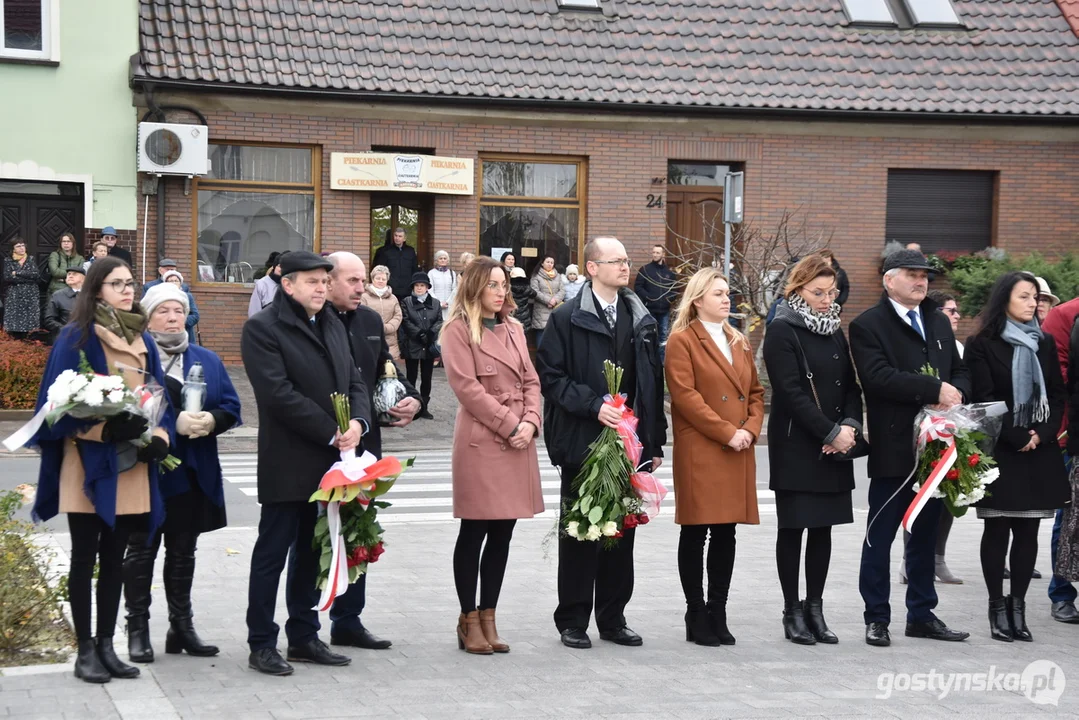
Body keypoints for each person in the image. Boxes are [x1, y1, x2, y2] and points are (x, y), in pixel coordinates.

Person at [29, 256, 173, 683]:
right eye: (116, 284)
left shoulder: (142, 335)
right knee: (85, 557)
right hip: (89, 465)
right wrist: (103, 432)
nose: (127, 290)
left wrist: (160, 437)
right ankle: (85, 650)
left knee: (116, 559)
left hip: (131, 465)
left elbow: (159, 396)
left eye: (130, 283)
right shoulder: (76, 336)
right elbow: (55, 408)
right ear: (96, 290)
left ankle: (108, 645)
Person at [241, 250, 370, 676]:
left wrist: (357, 421)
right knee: (272, 553)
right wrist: (330, 429)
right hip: (287, 460)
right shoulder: (263, 329)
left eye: (323, 280)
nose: (320, 287)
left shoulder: (331, 323)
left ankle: (303, 636)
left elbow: (354, 380)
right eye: (311, 281)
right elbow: (277, 395)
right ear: (288, 284)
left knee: (314, 551)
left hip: (327, 462)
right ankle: (261, 641)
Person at [537, 236, 666, 650]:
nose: (625, 267)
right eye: (616, 261)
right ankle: (573, 620)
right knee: (581, 531)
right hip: (583, 440)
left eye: (627, 260)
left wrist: (655, 441)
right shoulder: (566, 318)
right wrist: (593, 405)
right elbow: (551, 378)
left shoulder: (639, 316)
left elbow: (651, 383)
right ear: (592, 268)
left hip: (630, 445)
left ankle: (613, 618)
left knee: (620, 533)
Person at [850, 249, 972, 647]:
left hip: (938, 449)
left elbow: (959, 369)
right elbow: (877, 377)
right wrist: (933, 389)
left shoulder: (937, 320)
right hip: (896, 448)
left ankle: (921, 613)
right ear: (889, 279)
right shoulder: (869, 324)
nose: (922, 282)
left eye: (925, 276)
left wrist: (957, 393)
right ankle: (877, 617)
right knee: (880, 535)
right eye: (912, 275)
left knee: (924, 535)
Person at [122, 283, 240, 663]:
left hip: (192, 471)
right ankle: (137, 628)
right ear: (148, 316)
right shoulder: (135, 358)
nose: (173, 318)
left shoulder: (206, 358)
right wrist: (172, 426)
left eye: (179, 310)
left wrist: (211, 420)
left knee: (183, 551)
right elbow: (125, 412)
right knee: (141, 551)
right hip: (149, 472)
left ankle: (181, 626)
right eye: (163, 311)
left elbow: (232, 407)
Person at [440, 256, 545, 654]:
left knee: (503, 532)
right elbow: (467, 389)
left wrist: (532, 422)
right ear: (475, 289)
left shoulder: (515, 328)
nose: (502, 292)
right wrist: (511, 424)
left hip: (519, 437)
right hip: (483, 441)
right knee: (475, 531)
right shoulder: (456, 330)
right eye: (493, 285)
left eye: (504, 285)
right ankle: (469, 619)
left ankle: (489, 616)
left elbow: (532, 380)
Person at [965, 272, 1071, 642]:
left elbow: (1058, 393)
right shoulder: (981, 343)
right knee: (997, 528)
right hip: (1001, 448)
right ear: (1004, 299)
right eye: (1024, 296)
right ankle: (997, 606)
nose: (1033, 303)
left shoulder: (1042, 341)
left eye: (1036, 298)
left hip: (1038, 449)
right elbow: (982, 397)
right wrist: (1015, 434)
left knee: (1028, 530)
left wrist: (1041, 434)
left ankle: (1018, 607)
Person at [763, 255, 862, 645]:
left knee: (823, 530)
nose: (826, 299)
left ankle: (815, 609)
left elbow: (851, 385)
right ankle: (791, 611)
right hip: (797, 445)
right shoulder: (782, 330)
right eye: (818, 292)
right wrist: (829, 432)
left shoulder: (836, 330)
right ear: (797, 289)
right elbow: (791, 393)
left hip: (834, 445)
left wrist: (850, 427)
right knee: (793, 529)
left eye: (831, 291)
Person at [323, 252, 420, 650]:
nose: (362, 288)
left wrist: (412, 399)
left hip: (365, 447)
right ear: (327, 283)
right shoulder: (315, 322)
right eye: (353, 281)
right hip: (322, 445)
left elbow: (386, 367)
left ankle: (348, 620)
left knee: (358, 532)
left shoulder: (369, 320)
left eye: (364, 280)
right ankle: (305, 622)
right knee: (317, 534)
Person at [667, 267, 765, 647]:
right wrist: (729, 432)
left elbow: (755, 393)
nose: (727, 299)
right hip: (703, 446)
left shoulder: (738, 340)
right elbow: (686, 397)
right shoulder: (682, 341)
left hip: (737, 445)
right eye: (718, 294)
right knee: (696, 531)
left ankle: (718, 610)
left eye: (728, 293)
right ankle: (696, 612)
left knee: (726, 531)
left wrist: (751, 430)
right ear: (697, 300)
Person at [1042, 295, 1079, 623]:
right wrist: (1063, 430)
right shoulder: (1065, 315)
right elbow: (1058, 377)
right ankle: (1062, 593)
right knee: (1068, 518)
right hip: (1072, 435)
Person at [399, 272, 443, 420]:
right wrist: (419, 334)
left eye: (422, 285)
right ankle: (410, 406)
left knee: (427, 377)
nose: (419, 288)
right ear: (413, 287)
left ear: (427, 287)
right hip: (413, 342)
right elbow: (405, 320)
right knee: (411, 376)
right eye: (417, 286)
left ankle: (424, 406)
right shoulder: (406, 301)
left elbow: (439, 320)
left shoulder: (435, 303)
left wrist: (430, 333)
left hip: (429, 344)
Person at [634, 245, 677, 356]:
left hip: (664, 310)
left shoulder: (669, 273)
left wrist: (669, 300)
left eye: (658, 253)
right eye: (653, 252)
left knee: (663, 336)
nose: (655, 255)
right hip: (649, 310)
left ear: (663, 254)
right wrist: (648, 297)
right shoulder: (645, 270)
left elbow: (675, 289)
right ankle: (650, 360)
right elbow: (638, 287)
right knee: (650, 335)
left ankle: (662, 362)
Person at [361, 265, 405, 360]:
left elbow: (398, 315)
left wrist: (388, 327)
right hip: (370, 339)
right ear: (372, 279)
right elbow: (362, 315)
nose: (381, 281)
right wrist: (376, 326)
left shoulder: (393, 298)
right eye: (378, 278)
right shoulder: (364, 297)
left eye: (383, 279)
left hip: (390, 341)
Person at [3, 239, 41, 338]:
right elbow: (8, 277)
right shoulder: (8, 260)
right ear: (13, 249)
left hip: (31, 294)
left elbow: (36, 275)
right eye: (18, 246)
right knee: (14, 323)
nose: (21, 248)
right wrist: (28, 278)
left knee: (31, 323)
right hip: (14, 295)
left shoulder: (31, 259)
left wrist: (18, 273)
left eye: (23, 245)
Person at [371, 228, 419, 300]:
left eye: (400, 236)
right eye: (396, 236)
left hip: (407, 289)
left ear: (404, 238)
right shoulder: (385, 251)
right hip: (390, 289)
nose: (397, 238)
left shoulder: (410, 251)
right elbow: (379, 269)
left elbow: (415, 269)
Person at [530, 255, 565, 348]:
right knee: (541, 334)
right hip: (541, 309)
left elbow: (562, 290)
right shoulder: (536, 276)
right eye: (548, 262)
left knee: (554, 336)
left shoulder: (558, 276)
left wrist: (555, 300)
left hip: (555, 309)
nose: (550, 264)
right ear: (542, 263)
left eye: (552, 262)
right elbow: (534, 291)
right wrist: (549, 301)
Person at [44, 266, 84, 337]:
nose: (70, 276)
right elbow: (49, 319)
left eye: (74, 274)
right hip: (65, 336)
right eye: (69, 274)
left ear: (84, 279)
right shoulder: (58, 295)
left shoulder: (91, 295)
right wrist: (65, 329)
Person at [248, 250, 287, 318]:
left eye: (285, 266)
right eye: (279, 266)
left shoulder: (292, 284)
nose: (281, 269)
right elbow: (254, 310)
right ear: (274, 267)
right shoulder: (262, 284)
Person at [428, 250, 458, 322]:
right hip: (435, 306)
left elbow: (454, 290)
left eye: (445, 258)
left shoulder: (452, 273)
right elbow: (430, 290)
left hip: (449, 307)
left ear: (447, 260)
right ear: (436, 260)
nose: (443, 260)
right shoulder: (431, 273)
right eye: (440, 258)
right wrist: (439, 303)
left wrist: (448, 302)